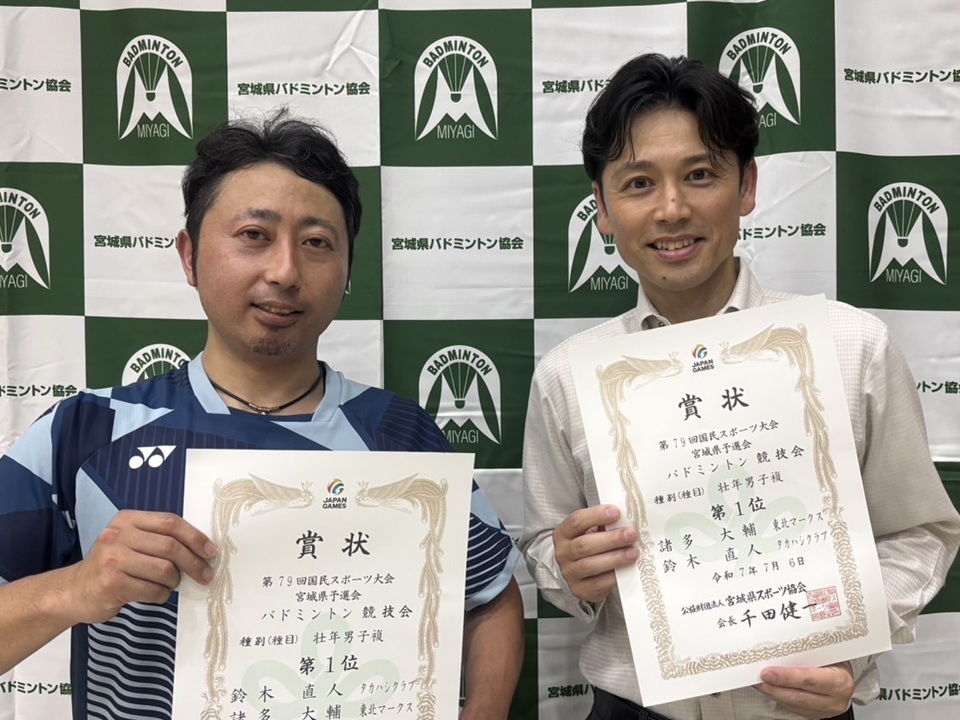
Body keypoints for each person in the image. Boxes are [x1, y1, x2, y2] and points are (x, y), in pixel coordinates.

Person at [0, 110, 523, 720]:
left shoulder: (399, 435)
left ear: (347, 271)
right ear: (190, 256)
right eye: (254, 234)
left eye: (317, 243)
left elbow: (490, 596)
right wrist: (73, 588)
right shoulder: (87, 430)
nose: (285, 272)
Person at [520, 53, 960, 720]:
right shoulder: (568, 375)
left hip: (800, 709)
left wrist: (849, 647)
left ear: (747, 186)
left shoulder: (850, 345)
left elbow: (919, 533)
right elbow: (544, 544)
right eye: (639, 183)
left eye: (700, 175)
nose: (672, 209)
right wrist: (569, 568)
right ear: (602, 209)